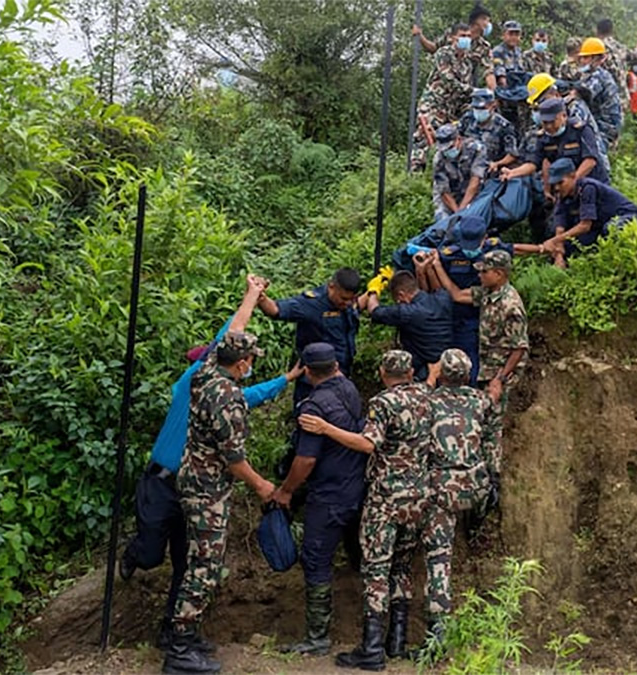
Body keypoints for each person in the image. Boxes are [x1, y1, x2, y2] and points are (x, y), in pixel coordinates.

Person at [122, 276, 299, 654]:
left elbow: (246, 389)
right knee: (153, 554)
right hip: (162, 482)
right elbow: (230, 333)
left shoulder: (219, 389)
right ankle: (135, 553)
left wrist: (285, 379)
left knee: (188, 564)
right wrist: (250, 297)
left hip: (192, 488)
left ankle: (174, 631)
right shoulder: (193, 381)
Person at [296, 351, 432, 671]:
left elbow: (367, 443)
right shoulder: (427, 396)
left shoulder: (383, 403)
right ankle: (396, 643)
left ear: (383, 372)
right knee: (400, 568)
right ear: (410, 372)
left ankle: (371, 649)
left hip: (386, 500)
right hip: (418, 497)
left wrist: (326, 428)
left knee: (376, 571)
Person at [162, 331, 277, 674]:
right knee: (205, 566)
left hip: (191, 478)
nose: (252, 364)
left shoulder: (204, 374)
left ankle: (188, 634)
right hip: (207, 489)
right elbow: (234, 460)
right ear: (241, 363)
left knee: (198, 558)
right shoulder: (227, 398)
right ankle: (179, 647)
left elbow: (217, 346)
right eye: (251, 359)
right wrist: (262, 485)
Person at [392, 349, 499, 654]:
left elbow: (416, 446)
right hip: (476, 484)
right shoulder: (481, 401)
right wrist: (495, 479)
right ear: (467, 375)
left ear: (442, 375)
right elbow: (492, 443)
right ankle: (477, 526)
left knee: (439, 559)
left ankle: (437, 636)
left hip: (441, 491)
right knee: (480, 503)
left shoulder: (428, 401)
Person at [276, 343, 368, 657]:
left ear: (307, 370)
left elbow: (306, 461)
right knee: (359, 556)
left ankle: (317, 637)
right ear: (336, 365)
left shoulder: (314, 407)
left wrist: (286, 490)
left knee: (315, 560)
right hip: (356, 490)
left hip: (329, 494)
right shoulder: (350, 390)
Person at [419, 249, 528, 417]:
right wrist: (437, 265)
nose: (479, 275)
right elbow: (457, 295)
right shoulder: (488, 292)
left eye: (484, 271)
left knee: (491, 419)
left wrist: (500, 379)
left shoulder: (510, 305)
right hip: (487, 367)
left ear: (499, 274)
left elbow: (519, 348)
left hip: (500, 372)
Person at [256, 268, 360, 404]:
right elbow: (275, 310)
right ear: (332, 286)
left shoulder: (346, 305)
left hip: (341, 376)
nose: (347, 303)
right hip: (313, 382)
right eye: (344, 299)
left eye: (351, 299)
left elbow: (356, 309)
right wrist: (260, 296)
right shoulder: (311, 304)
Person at [543, 158, 637, 266]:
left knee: (611, 229)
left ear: (572, 176)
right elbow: (560, 229)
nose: (557, 188)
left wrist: (554, 241)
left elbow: (585, 226)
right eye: (554, 184)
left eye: (560, 182)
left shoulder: (587, 187)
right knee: (571, 245)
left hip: (627, 216)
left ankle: (621, 263)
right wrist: (559, 254)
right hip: (599, 224)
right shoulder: (563, 197)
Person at [502, 98, 610, 198]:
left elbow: (590, 161)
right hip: (565, 188)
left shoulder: (580, 130)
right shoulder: (543, 137)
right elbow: (533, 163)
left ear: (563, 116)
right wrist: (513, 173)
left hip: (592, 184)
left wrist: (573, 180)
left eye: (552, 122)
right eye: (545, 123)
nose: (549, 126)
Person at [361, 269, 454, 382]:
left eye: (398, 300)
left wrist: (373, 291)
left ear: (401, 295)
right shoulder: (443, 299)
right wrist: (424, 268)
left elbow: (374, 311)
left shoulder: (408, 312)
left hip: (423, 372)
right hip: (447, 367)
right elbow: (438, 288)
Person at [410, 23, 478, 172]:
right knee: (423, 138)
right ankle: (415, 175)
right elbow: (449, 81)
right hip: (434, 104)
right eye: (462, 36)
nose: (466, 39)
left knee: (449, 142)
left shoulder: (467, 63)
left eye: (468, 36)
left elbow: (464, 94)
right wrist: (474, 91)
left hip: (451, 109)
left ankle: (441, 175)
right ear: (453, 37)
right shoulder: (444, 54)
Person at [414, 6, 496, 89]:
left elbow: (489, 71)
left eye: (488, 21)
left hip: (462, 90)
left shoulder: (484, 47)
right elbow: (433, 48)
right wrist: (420, 36)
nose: (487, 24)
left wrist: (492, 92)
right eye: (484, 19)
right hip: (440, 89)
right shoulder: (454, 34)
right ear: (475, 21)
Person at [431, 123, 488, 220]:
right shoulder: (439, 158)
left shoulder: (476, 149)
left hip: (474, 192)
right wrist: (457, 213)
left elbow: (475, 180)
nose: (447, 151)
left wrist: (463, 208)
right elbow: (444, 191)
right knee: (443, 221)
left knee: (477, 222)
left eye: (450, 147)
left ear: (459, 139)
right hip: (450, 195)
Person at [458, 88, 519, 173]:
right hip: (466, 166)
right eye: (475, 108)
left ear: (493, 105)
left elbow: (512, 155)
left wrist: (497, 163)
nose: (478, 111)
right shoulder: (467, 119)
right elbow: (457, 138)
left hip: (489, 169)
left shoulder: (503, 126)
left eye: (482, 108)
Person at [576, 37, 624, 146]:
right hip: (601, 126)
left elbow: (584, 92)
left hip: (604, 129)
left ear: (596, 58)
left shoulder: (599, 76)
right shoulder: (592, 75)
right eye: (582, 58)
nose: (582, 61)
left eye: (586, 57)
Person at [595, 18, 630, 104]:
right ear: (611, 30)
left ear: (597, 31)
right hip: (622, 95)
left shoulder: (598, 47)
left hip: (607, 97)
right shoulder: (619, 47)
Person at [491, 20, 527, 89]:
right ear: (503, 35)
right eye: (510, 34)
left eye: (517, 34)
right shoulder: (498, 51)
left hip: (519, 86)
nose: (514, 37)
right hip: (506, 89)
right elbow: (501, 78)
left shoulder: (519, 51)